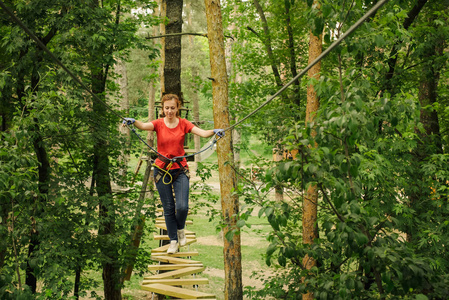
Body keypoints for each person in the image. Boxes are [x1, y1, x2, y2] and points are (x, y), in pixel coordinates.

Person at [122, 93, 224, 254]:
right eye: (167, 108)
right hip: (162, 170)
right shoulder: (158, 124)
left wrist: (214, 132)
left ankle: (180, 229)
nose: (169, 111)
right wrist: (133, 121)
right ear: (162, 109)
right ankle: (173, 241)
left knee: (182, 207)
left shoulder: (184, 123)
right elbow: (143, 126)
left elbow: (202, 133)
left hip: (180, 170)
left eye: (173, 108)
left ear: (178, 108)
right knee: (168, 208)